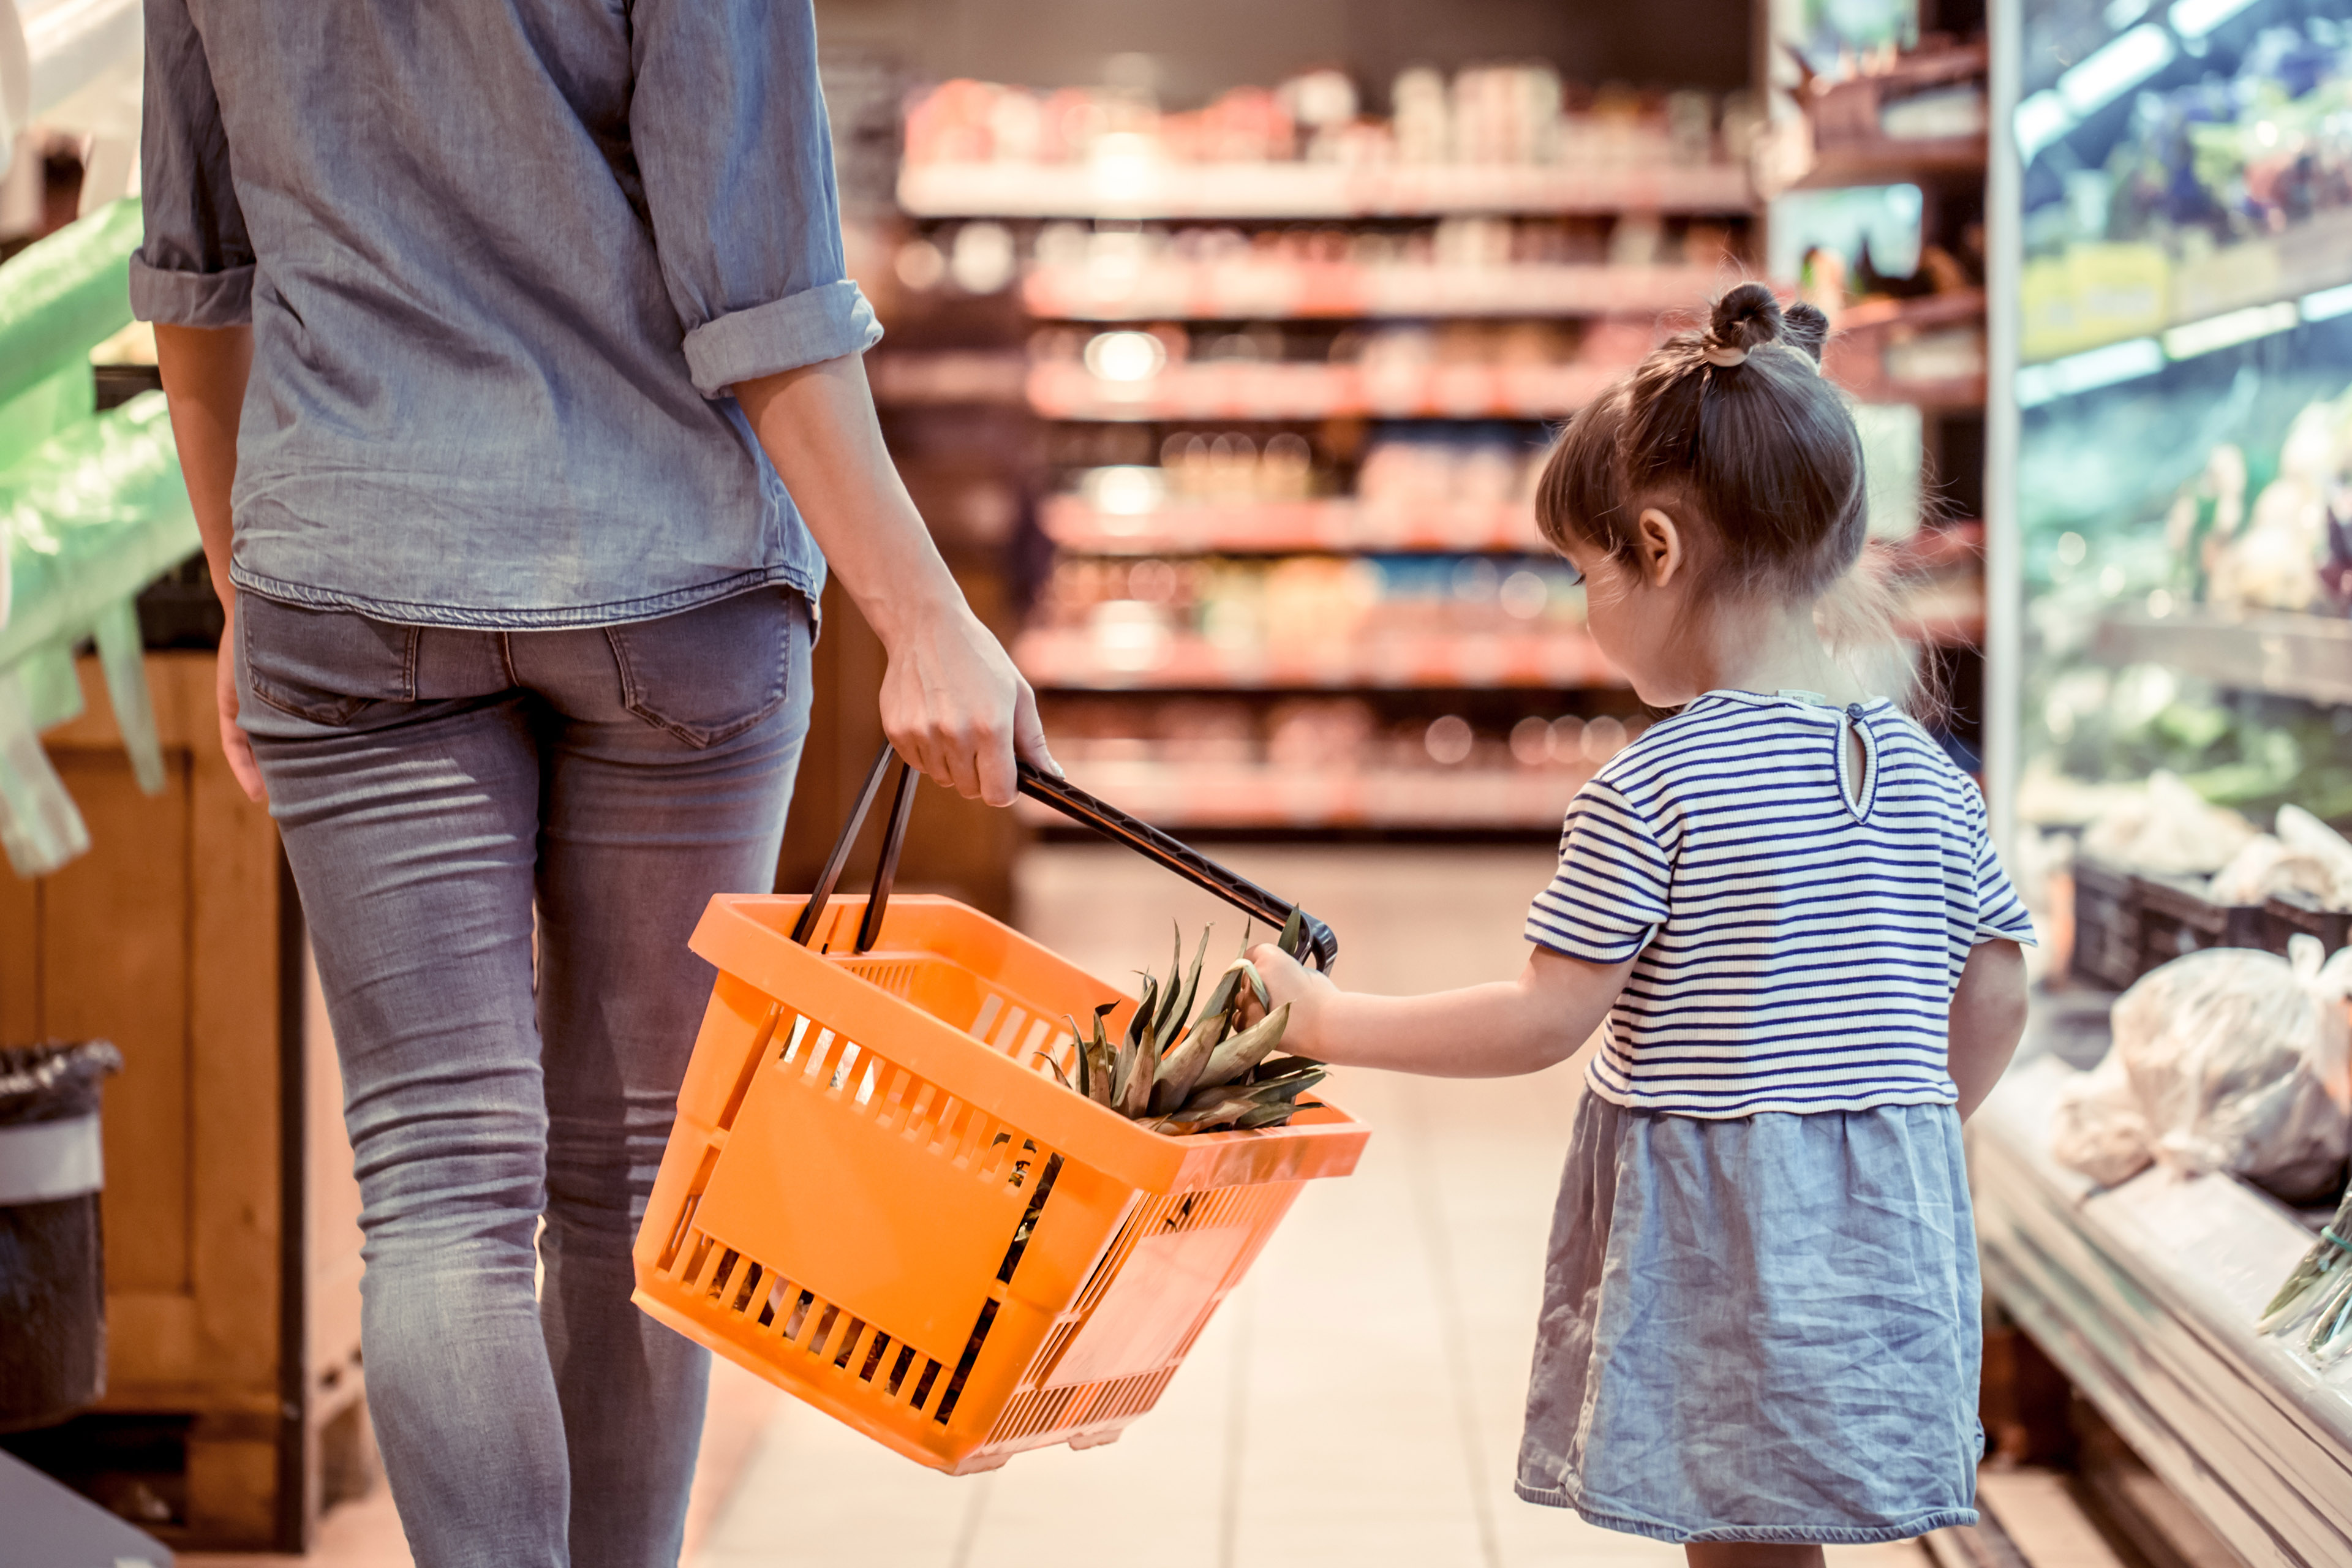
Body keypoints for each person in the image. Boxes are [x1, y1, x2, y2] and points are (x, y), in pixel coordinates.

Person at [133, 4, 1052, 1565]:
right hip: (667, 567)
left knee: (437, 1191)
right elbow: (762, 292)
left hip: (345, 563)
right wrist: (926, 616)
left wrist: (242, 585)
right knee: (637, 1182)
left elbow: (195, 270)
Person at [1245, 283, 2032, 1567]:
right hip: (1884, 1201)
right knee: (1794, 1522)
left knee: (1734, 1522)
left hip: (1722, 1215)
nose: (1585, 604)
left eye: (1582, 571)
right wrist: (1895, 1121)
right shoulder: (1929, 773)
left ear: (1658, 551)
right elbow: (1995, 986)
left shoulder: (1655, 783)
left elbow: (1543, 1014)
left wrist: (1336, 1021)